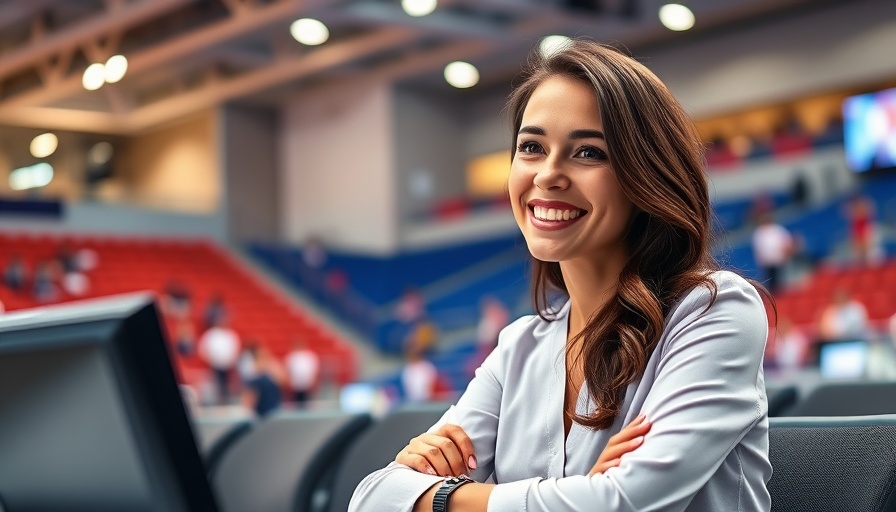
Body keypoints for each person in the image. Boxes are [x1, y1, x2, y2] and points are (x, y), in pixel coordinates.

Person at [350, 40, 771, 512]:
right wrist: (575, 497)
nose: (548, 174)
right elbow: (373, 498)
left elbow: (622, 501)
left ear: (646, 175)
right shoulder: (520, 348)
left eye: (588, 153)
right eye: (531, 147)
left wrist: (441, 498)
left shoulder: (716, 311)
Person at [197, 316, 241, 405]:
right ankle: (217, 401)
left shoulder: (231, 334)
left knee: (227, 385)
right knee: (216, 385)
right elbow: (203, 349)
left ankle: (226, 400)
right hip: (214, 365)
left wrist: (232, 359)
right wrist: (209, 360)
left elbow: (236, 348)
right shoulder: (211, 334)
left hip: (228, 366)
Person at [751, 212, 793, 293]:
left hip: (779, 261)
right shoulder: (759, 232)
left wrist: (786, 254)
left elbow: (787, 243)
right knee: (770, 284)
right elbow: (758, 248)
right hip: (767, 263)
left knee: (780, 283)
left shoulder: (778, 230)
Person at [240, 342, 286, 417]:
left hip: (273, 408)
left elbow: (283, 380)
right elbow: (249, 396)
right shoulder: (253, 374)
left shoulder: (272, 369)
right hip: (261, 411)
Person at [284, 336, 321, 407]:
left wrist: (313, 382)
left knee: (307, 403)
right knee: (297, 403)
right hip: (295, 385)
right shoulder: (291, 356)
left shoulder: (310, 356)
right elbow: (288, 371)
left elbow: (314, 371)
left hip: (307, 384)